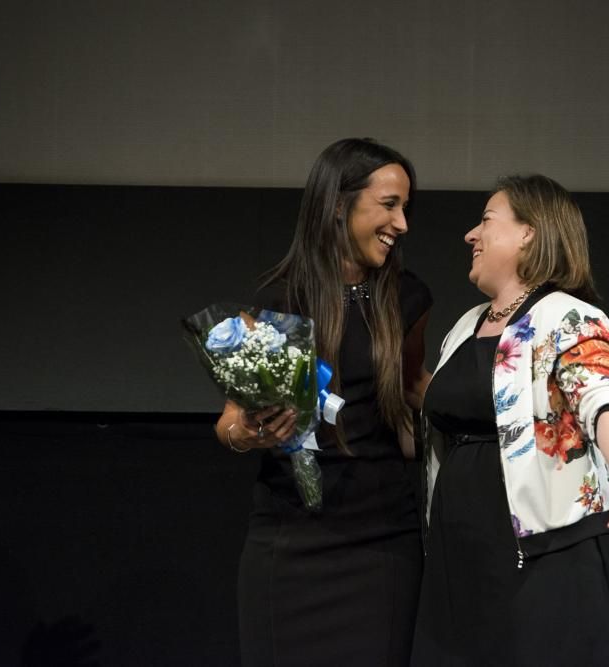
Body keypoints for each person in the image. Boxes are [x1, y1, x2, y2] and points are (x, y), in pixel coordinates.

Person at [411, 174, 609, 666]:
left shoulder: (567, 317)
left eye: (486, 220)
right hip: (459, 553)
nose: (470, 235)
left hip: (543, 552)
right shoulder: (466, 325)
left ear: (529, 232)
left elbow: (607, 405)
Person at [214, 138, 432, 666]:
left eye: (405, 207)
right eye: (389, 205)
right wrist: (248, 432)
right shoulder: (278, 303)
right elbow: (229, 425)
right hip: (291, 542)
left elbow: (412, 389)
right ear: (338, 204)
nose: (402, 223)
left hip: (382, 540)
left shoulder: (408, 297)